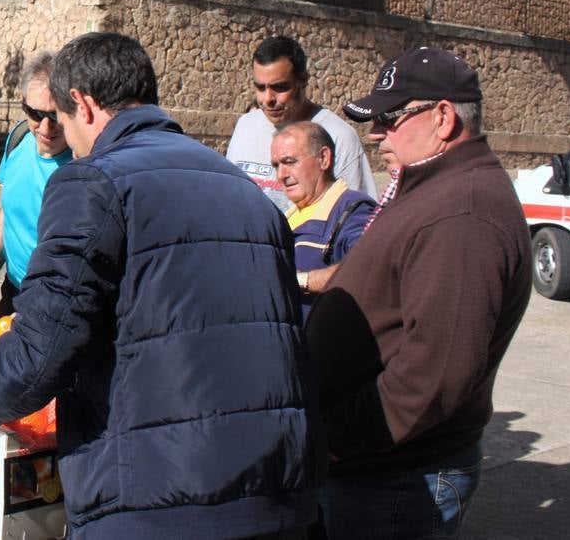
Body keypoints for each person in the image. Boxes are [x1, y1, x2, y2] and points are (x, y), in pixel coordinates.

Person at [0, 32, 323, 538]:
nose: (65, 138)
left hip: (158, 498)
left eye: (63, 118)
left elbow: (45, 341)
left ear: (84, 104)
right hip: (281, 492)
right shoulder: (244, 189)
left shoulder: (92, 181)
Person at [308, 47, 531, 538]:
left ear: (443, 117)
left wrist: (335, 440)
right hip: (380, 470)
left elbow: (435, 374)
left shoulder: (463, 213)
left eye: (390, 118)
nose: (375, 134)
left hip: (395, 478)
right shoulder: (437, 186)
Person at [0, 52, 71, 352]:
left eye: (56, 116)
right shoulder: (19, 139)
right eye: (36, 114)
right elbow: (8, 213)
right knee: (2, 394)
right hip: (14, 297)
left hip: (61, 310)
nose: (45, 128)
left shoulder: (84, 163)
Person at [227, 35, 376, 210]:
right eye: (260, 88)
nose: (268, 99)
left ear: (303, 81)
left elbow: (357, 218)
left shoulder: (339, 137)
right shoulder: (245, 126)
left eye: (280, 88)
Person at [271, 121, 374, 321]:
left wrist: (300, 280)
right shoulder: (287, 218)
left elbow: (368, 269)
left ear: (324, 159)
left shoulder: (352, 210)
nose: (281, 175)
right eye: (276, 165)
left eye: (290, 161)